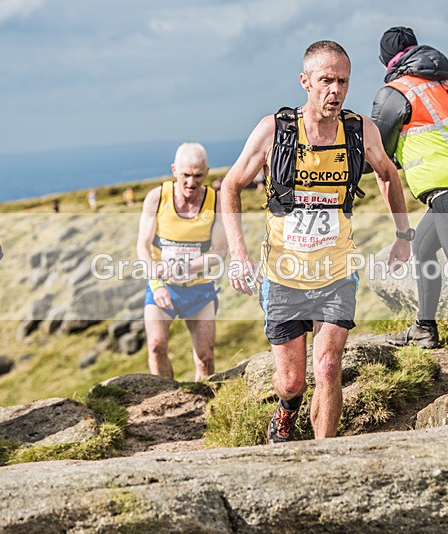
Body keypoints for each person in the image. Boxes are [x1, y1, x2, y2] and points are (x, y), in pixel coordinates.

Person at [220, 40, 412, 444]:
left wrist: (402, 235)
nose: (335, 90)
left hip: (336, 271)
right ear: (305, 81)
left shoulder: (361, 130)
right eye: (326, 80)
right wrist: (238, 254)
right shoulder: (276, 130)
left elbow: (388, 174)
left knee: (327, 366)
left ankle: (324, 456)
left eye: (343, 81)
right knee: (290, 382)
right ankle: (287, 409)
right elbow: (230, 186)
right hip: (283, 274)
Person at [371, 27, 448, 349]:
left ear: (385, 60)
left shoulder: (395, 92)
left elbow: (379, 149)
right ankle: (423, 329)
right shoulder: (445, 85)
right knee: (424, 250)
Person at [136, 142, 227, 381]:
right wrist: (156, 285)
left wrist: (184, 268)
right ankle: (166, 400)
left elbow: (219, 253)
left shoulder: (216, 201)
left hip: (200, 290)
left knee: (205, 358)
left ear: (206, 173)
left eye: (198, 176)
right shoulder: (157, 197)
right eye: (185, 175)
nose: (191, 182)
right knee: (156, 346)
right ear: (174, 170)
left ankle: (206, 409)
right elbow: (143, 246)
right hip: (162, 287)